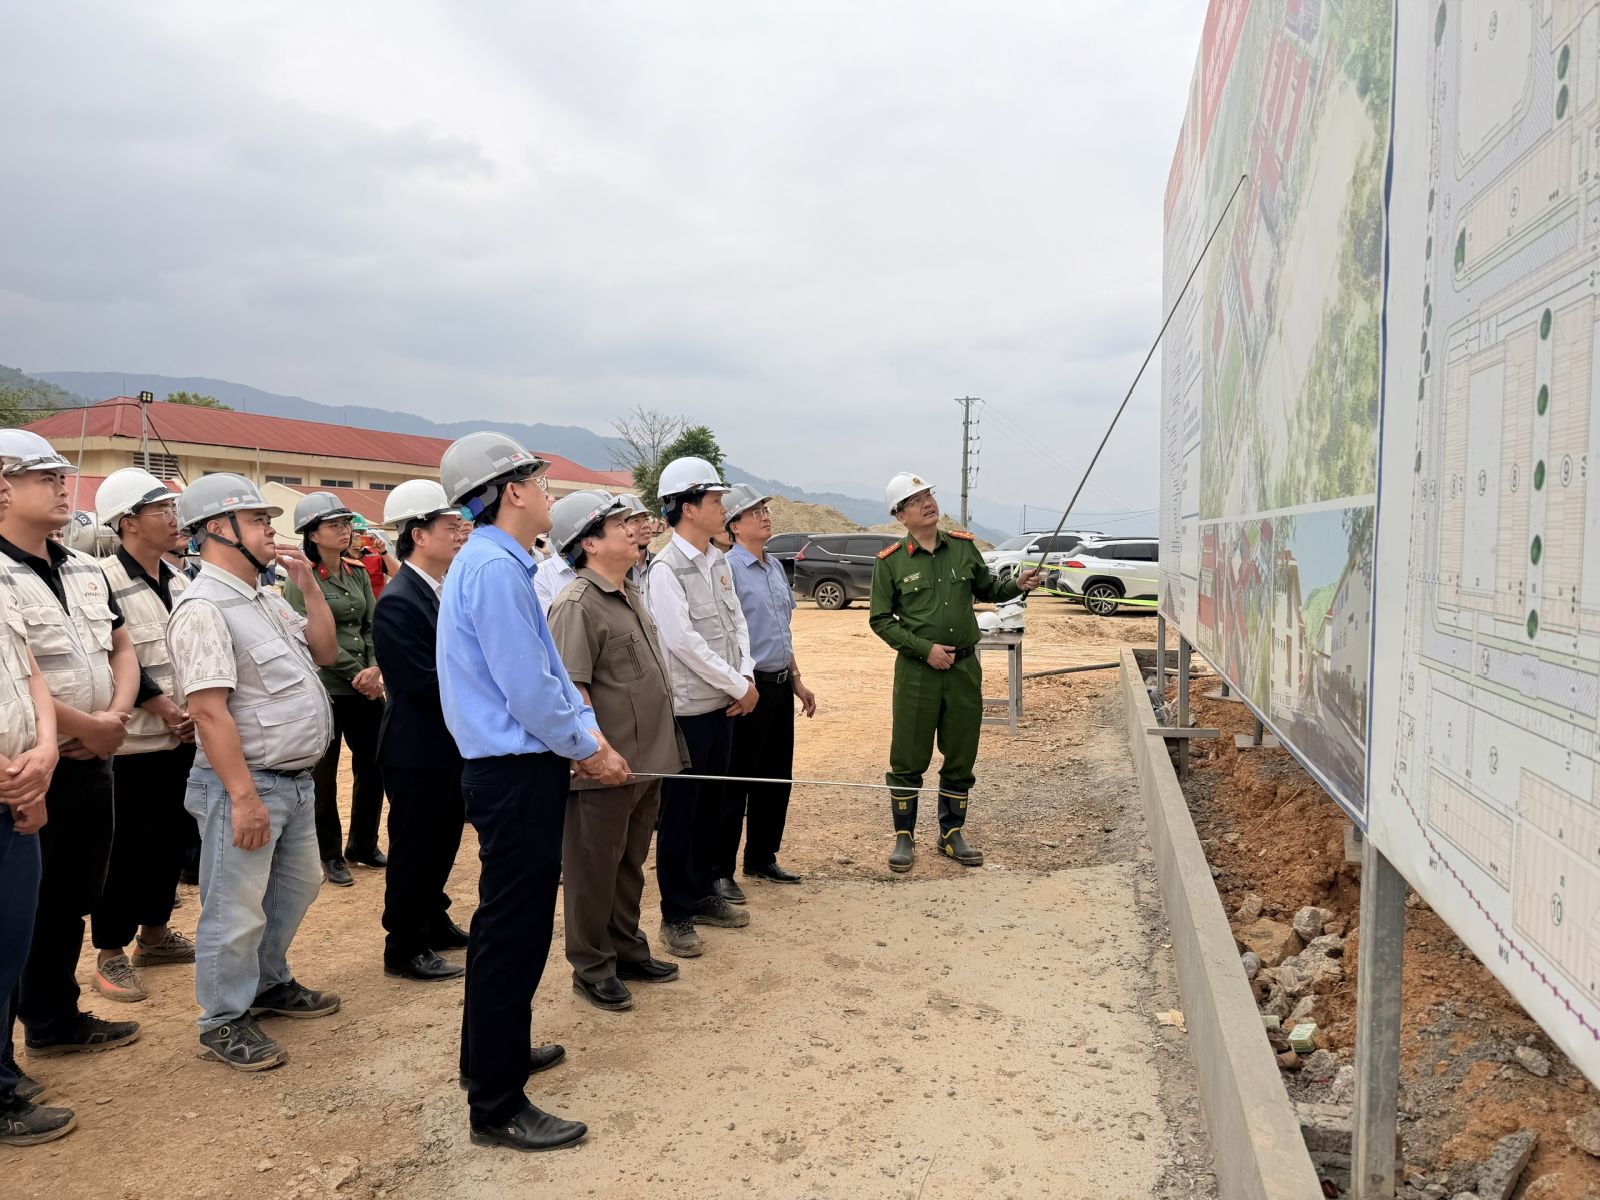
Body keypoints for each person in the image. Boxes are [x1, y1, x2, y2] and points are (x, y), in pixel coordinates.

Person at [436, 431, 629, 1152]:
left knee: (502, 927)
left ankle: (492, 1056)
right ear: (511, 490)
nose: (548, 493)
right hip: (513, 772)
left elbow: (541, 676)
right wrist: (589, 748)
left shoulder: (500, 562)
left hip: (519, 767)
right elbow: (530, 689)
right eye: (539, 480)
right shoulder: (491, 568)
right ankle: (497, 1103)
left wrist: (581, 739)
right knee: (512, 932)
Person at [165, 473, 341, 1070]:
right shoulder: (203, 607)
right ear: (218, 528)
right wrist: (242, 797)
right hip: (248, 783)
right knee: (234, 907)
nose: (273, 529)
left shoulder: (262, 597)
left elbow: (324, 653)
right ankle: (223, 1018)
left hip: (292, 780)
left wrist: (308, 587)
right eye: (259, 520)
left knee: (297, 887)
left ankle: (267, 983)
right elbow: (209, 711)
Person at [0, 431, 142, 1064]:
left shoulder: (83, 567)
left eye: (63, 477)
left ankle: (54, 1018)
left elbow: (122, 645)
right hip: (32, 766)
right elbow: (18, 674)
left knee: (68, 897)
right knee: (16, 913)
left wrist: (112, 716)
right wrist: (81, 728)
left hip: (92, 757)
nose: (63, 487)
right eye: (44, 478)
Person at [547, 491, 687, 1013]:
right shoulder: (577, 604)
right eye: (617, 524)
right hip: (604, 766)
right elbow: (572, 689)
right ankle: (591, 965)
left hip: (646, 759)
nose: (633, 530)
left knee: (629, 862)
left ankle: (626, 947)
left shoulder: (627, 592)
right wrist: (595, 752)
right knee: (592, 867)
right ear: (588, 543)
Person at [870, 473, 1040, 872]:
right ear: (900, 516)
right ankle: (903, 837)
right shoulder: (891, 562)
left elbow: (987, 590)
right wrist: (924, 649)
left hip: (964, 668)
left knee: (961, 751)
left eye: (928, 493)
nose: (927, 502)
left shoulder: (964, 549)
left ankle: (951, 833)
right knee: (909, 755)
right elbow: (880, 620)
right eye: (915, 500)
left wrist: (1017, 584)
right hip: (918, 672)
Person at [87, 469, 199, 1005]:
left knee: (170, 842)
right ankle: (110, 952)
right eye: (162, 511)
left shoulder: (180, 580)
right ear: (129, 522)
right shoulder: (101, 579)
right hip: (135, 744)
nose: (174, 519)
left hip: (181, 739)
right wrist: (166, 707)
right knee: (127, 848)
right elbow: (112, 658)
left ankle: (154, 935)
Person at [646, 456, 755, 957]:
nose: (723, 508)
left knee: (715, 805)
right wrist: (738, 684)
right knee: (682, 814)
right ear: (689, 508)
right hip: (691, 711)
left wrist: (745, 678)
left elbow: (737, 625)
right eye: (715, 501)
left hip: (726, 704)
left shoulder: (717, 561)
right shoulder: (666, 569)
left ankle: (708, 889)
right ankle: (676, 912)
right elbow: (683, 642)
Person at [0, 448, 71, 1147]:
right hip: (9, 779)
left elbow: (29, 676)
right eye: (42, 477)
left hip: (24, 782)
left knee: (8, 947)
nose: (60, 487)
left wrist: (43, 755)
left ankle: (2, 1075)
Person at [373, 480, 470, 983]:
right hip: (417, 748)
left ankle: (432, 918)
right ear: (418, 534)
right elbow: (420, 684)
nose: (459, 533)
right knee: (415, 848)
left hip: (446, 745)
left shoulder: (441, 588)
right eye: (447, 526)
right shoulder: (398, 601)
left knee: (444, 840)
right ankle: (405, 945)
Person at [282, 492, 387, 886]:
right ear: (312, 533)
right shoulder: (300, 576)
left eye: (346, 524)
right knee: (323, 777)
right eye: (334, 525)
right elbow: (308, 634)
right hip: (326, 688)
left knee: (374, 766)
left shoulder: (357, 570)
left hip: (366, 686)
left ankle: (363, 843)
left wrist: (376, 667)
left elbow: (372, 623)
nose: (345, 531)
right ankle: (329, 855)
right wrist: (359, 672)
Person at [719, 484, 816, 894]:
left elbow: (783, 631)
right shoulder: (725, 569)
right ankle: (720, 870)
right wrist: (736, 685)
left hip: (777, 686)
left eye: (764, 509)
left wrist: (796, 679)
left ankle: (762, 858)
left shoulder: (775, 567)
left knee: (776, 777)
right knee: (736, 780)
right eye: (753, 511)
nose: (764, 516)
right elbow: (724, 636)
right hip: (746, 688)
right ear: (734, 526)